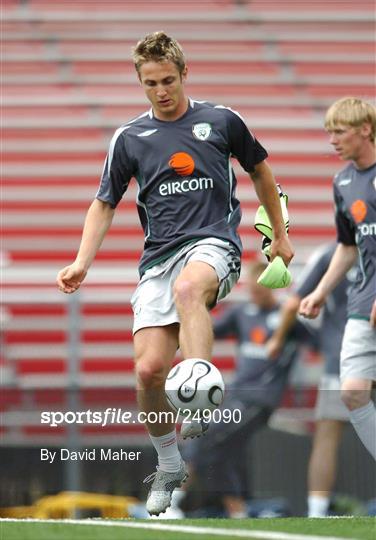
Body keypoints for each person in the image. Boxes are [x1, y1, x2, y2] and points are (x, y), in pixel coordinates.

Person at [56, 31, 294, 516]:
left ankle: (200, 391)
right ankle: (169, 465)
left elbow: (262, 172)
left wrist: (281, 234)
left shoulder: (222, 120)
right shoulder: (129, 138)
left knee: (191, 287)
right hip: (157, 259)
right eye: (150, 83)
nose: (161, 90)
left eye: (168, 80)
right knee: (147, 372)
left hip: (214, 243)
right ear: (140, 82)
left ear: (184, 73)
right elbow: (104, 204)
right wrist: (82, 260)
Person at [179, 261, 314, 519]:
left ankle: (172, 498)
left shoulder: (287, 318)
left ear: (271, 288)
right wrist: (193, 305)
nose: (256, 295)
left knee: (205, 436)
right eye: (252, 290)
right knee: (222, 449)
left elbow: (317, 339)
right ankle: (237, 511)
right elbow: (206, 329)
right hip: (236, 395)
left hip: (260, 399)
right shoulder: (241, 313)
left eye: (260, 290)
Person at [299, 97, 376, 462]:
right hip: (362, 304)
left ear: (365, 129)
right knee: (353, 393)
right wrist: (319, 291)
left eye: (339, 132)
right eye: (329, 132)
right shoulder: (343, 181)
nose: (332, 140)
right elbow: (347, 246)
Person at [267, 243, 352, 517]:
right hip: (351, 354)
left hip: (343, 358)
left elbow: (294, 303)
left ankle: (317, 510)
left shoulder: (330, 254)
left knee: (327, 437)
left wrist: (277, 340)